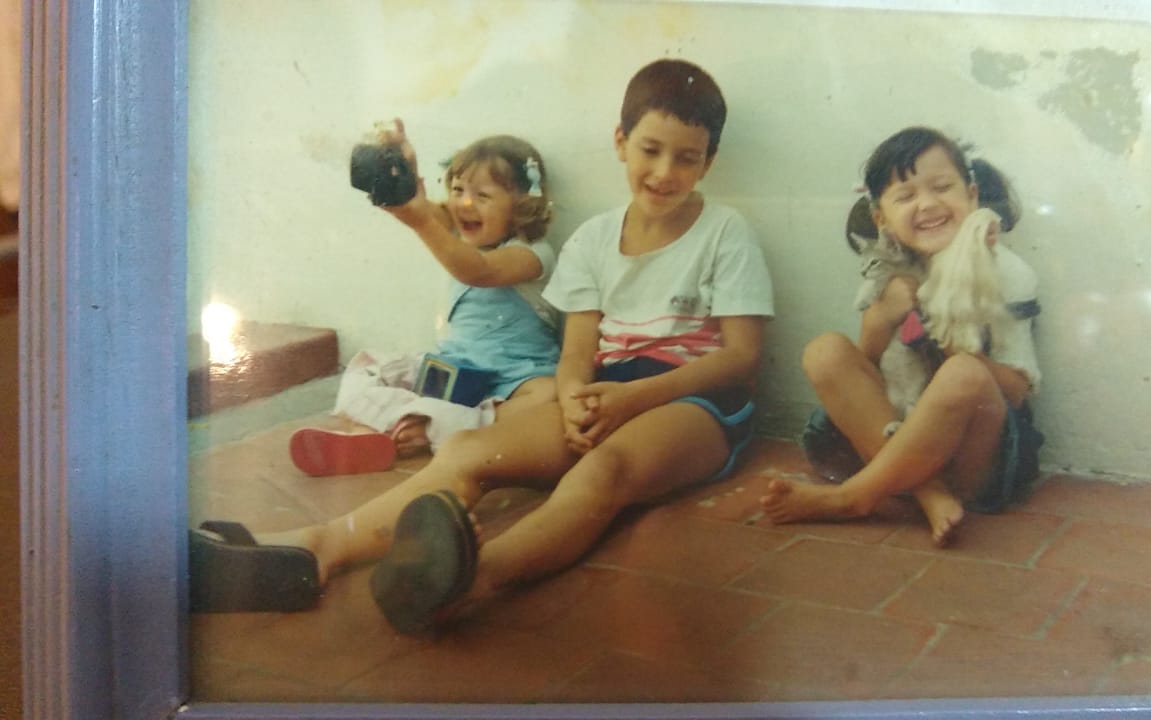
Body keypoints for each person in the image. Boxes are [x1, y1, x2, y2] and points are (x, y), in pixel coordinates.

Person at [189, 59, 775, 631]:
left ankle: (465, 581)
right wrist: (576, 396)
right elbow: (576, 352)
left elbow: (740, 359)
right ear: (621, 142)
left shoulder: (725, 233)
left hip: (694, 404)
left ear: (708, 161)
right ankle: (318, 549)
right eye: (651, 149)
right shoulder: (593, 240)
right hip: (607, 394)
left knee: (604, 470)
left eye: (686, 157)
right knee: (469, 451)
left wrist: (632, 400)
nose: (665, 171)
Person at [760, 126, 1043, 546]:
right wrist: (883, 315)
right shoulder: (888, 270)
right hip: (897, 438)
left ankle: (851, 498)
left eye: (942, 187)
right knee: (825, 352)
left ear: (971, 195)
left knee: (963, 373)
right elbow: (865, 370)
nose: (927, 204)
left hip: (975, 456)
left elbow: (1017, 391)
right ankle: (928, 494)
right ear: (882, 219)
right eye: (905, 196)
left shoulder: (1005, 272)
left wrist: (956, 350)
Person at [287, 126, 562, 477]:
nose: (464, 203)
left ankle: (418, 427)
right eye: (458, 190)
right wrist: (401, 174)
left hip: (516, 377)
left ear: (522, 205)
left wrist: (421, 221)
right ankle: (378, 435)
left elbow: (477, 271)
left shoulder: (533, 254)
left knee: (548, 396)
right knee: (367, 369)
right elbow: (414, 210)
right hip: (454, 368)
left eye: (482, 195)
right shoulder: (456, 227)